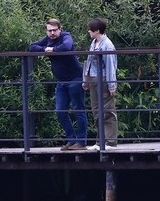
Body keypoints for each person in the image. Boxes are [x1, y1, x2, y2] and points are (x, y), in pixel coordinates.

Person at [29, 18, 88, 151]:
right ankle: (72, 140)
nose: (52, 33)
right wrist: (46, 49)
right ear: (46, 31)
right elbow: (32, 47)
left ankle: (82, 142)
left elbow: (67, 46)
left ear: (60, 29)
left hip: (75, 79)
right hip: (61, 82)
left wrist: (52, 49)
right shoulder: (47, 40)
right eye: (49, 31)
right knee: (60, 111)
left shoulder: (66, 36)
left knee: (78, 109)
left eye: (55, 30)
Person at [82, 17, 118, 150]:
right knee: (96, 111)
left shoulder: (107, 44)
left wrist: (111, 85)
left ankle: (111, 142)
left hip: (103, 79)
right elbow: (89, 62)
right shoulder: (94, 43)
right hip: (93, 78)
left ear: (97, 30)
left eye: (90, 30)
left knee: (108, 111)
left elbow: (110, 66)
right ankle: (100, 141)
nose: (88, 32)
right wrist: (85, 80)